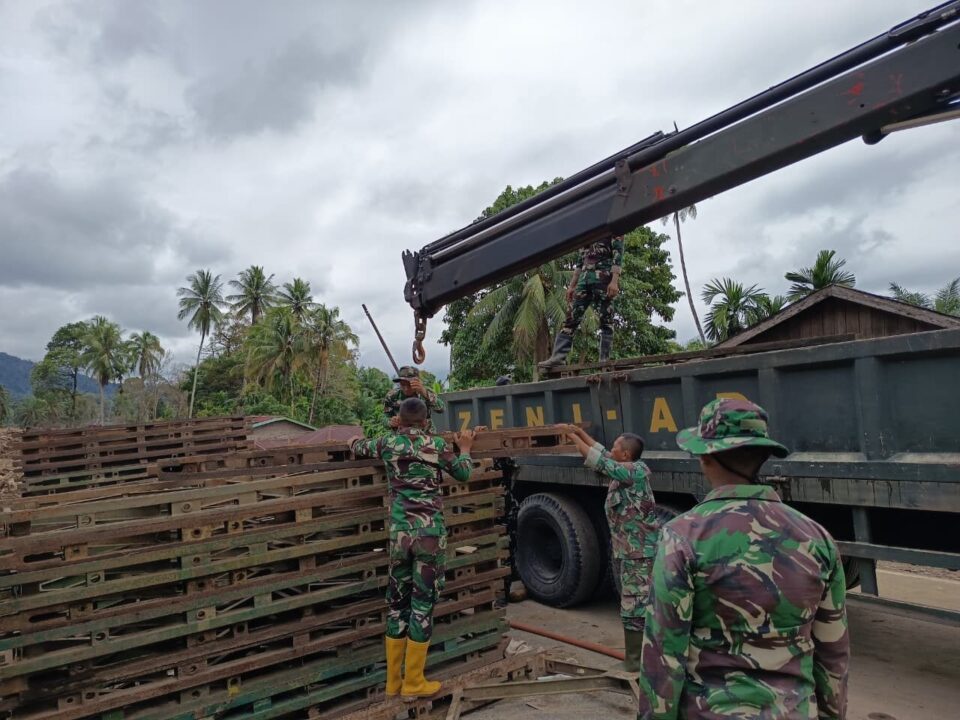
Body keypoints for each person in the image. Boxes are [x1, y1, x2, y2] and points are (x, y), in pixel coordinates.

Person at [638, 398, 849, 720]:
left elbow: (664, 654)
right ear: (764, 456)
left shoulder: (681, 537)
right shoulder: (817, 538)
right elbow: (833, 653)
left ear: (705, 457)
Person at [351, 397, 476, 702]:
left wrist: (355, 438)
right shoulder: (435, 445)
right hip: (429, 536)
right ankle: (414, 682)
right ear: (424, 421)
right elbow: (463, 473)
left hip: (399, 536)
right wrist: (467, 449)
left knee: (397, 604)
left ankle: (393, 683)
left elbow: (356, 446)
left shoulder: (387, 443)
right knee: (422, 604)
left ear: (398, 418)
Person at [563, 424, 658, 672]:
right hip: (630, 550)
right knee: (635, 601)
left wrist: (569, 437)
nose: (611, 449)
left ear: (625, 455)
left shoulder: (633, 472)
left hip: (639, 553)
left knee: (634, 604)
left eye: (616, 446)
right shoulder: (625, 468)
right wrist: (579, 432)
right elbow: (600, 451)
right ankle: (641, 656)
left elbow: (596, 459)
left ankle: (636, 661)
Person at [540, 234, 624, 368]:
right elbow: (580, 261)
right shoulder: (588, 230)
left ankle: (604, 360)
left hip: (603, 278)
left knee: (606, 319)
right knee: (571, 317)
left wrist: (614, 281)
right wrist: (572, 285)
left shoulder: (611, 227)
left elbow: (618, 254)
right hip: (584, 280)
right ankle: (558, 357)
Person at [384, 366, 445, 431]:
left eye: (409, 384)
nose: (406, 388)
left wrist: (425, 394)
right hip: (402, 437)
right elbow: (384, 417)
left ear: (417, 382)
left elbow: (441, 409)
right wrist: (390, 422)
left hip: (426, 436)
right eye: (402, 384)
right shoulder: (392, 396)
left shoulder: (425, 392)